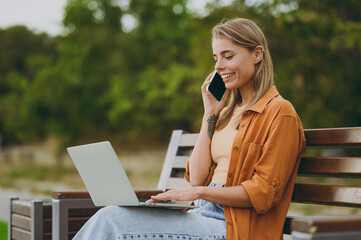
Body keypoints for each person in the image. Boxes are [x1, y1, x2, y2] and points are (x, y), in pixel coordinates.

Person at [73, 18, 306, 240]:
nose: (219, 66)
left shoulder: (280, 113)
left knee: (112, 220)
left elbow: (264, 194)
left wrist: (200, 193)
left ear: (257, 54)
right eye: (216, 57)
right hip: (200, 213)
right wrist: (210, 114)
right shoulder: (224, 114)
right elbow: (196, 177)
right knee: (113, 214)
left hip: (235, 228)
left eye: (228, 56)